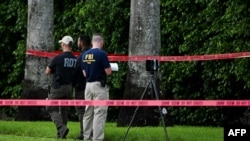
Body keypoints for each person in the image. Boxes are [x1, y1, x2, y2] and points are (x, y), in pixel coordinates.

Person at [46, 35, 77, 139]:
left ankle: (61, 128)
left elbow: (47, 71)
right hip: (69, 87)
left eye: (61, 44)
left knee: (50, 107)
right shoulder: (75, 59)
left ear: (64, 44)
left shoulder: (58, 58)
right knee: (64, 110)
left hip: (58, 87)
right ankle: (61, 134)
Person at [81, 33, 112, 141]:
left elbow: (84, 73)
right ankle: (97, 138)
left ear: (92, 42)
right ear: (101, 42)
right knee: (99, 112)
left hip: (88, 86)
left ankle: (86, 136)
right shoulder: (102, 54)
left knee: (88, 112)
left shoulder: (84, 55)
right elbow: (108, 72)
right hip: (99, 86)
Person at [73, 34, 91, 140]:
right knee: (90, 111)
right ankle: (91, 132)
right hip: (90, 85)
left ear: (82, 43)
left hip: (80, 87)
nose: (77, 43)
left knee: (81, 111)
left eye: (78, 41)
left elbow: (75, 72)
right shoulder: (93, 55)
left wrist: (72, 83)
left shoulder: (81, 57)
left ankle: (83, 133)